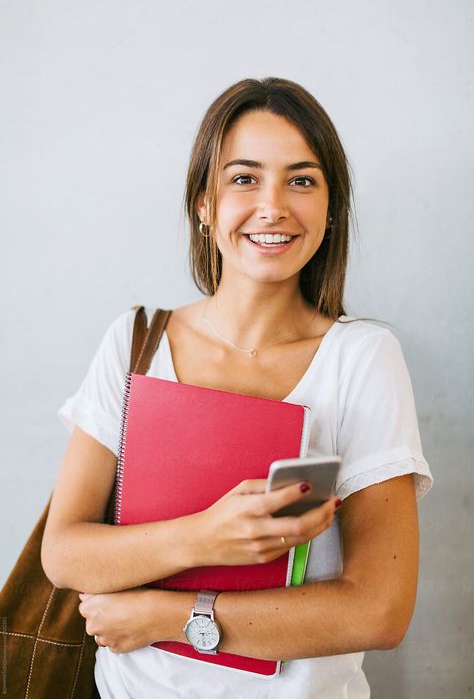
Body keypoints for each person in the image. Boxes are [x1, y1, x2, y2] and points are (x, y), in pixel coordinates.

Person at [41, 77, 433, 698]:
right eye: (244, 178)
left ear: (331, 210)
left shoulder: (359, 360)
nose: (273, 205)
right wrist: (208, 535)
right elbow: (65, 554)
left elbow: (377, 611)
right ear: (204, 203)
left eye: (301, 180)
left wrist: (171, 615)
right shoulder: (137, 342)